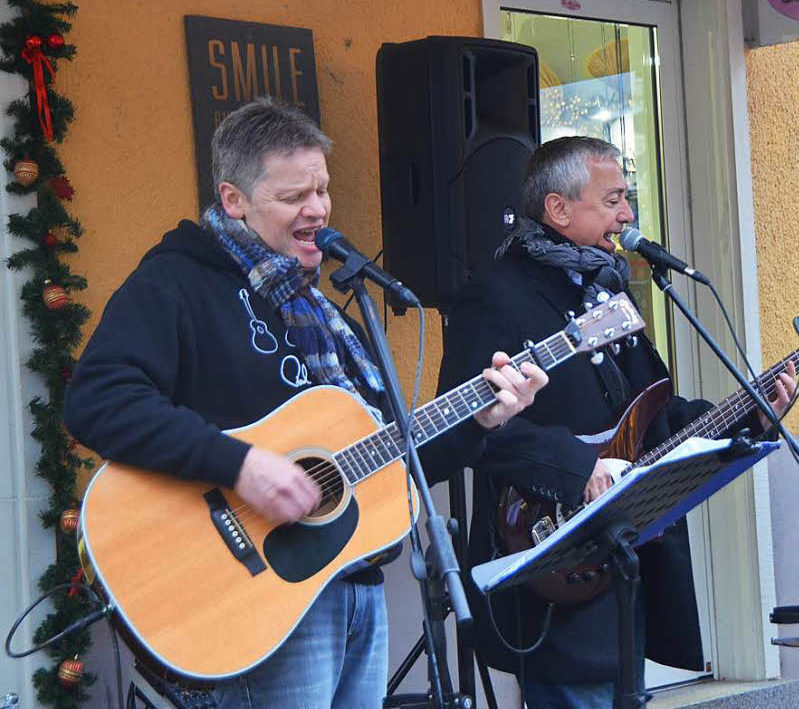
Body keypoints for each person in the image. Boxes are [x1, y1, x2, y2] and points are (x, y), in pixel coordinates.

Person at [63, 98, 548, 708]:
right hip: (251, 602)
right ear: (234, 199)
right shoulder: (176, 282)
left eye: (322, 191)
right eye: (295, 197)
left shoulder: (323, 310)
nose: (318, 209)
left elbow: (390, 457)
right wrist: (239, 464)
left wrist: (480, 418)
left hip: (353, 587)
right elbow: (96, 400)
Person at [430, 136, 794, 708]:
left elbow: (656, 415)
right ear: (559, 209)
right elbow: (465, 431)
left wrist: (751, 410)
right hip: (552, 552)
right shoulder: (494, 296)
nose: (628, 216)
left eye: (627, 199)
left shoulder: (608, 288)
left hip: (624, 555)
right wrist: (578, 468)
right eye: (614, 199)